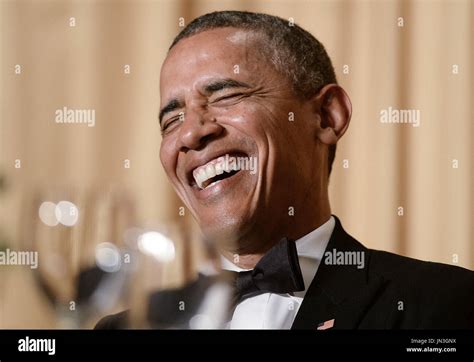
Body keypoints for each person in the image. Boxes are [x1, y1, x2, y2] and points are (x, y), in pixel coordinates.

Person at [96, 10, 474, 329]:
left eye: (227, 95)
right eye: (172, 119)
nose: (192, 132)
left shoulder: (445, 305)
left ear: (327, 116)